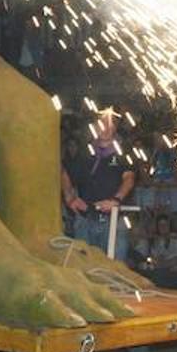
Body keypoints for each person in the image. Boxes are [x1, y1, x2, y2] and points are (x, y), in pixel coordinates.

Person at [61, 111, 135, 261]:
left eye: (110, 124)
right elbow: (65, 171)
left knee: (114, 268)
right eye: (102, 123)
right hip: (85, 218)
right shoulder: (85, 152)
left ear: (115, 128)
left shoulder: (123, 152)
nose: (105, 128)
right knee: (84, 267)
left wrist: (116, 200)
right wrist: (70, 198)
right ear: (94, 126)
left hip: (112, 219)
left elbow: (129, 178)